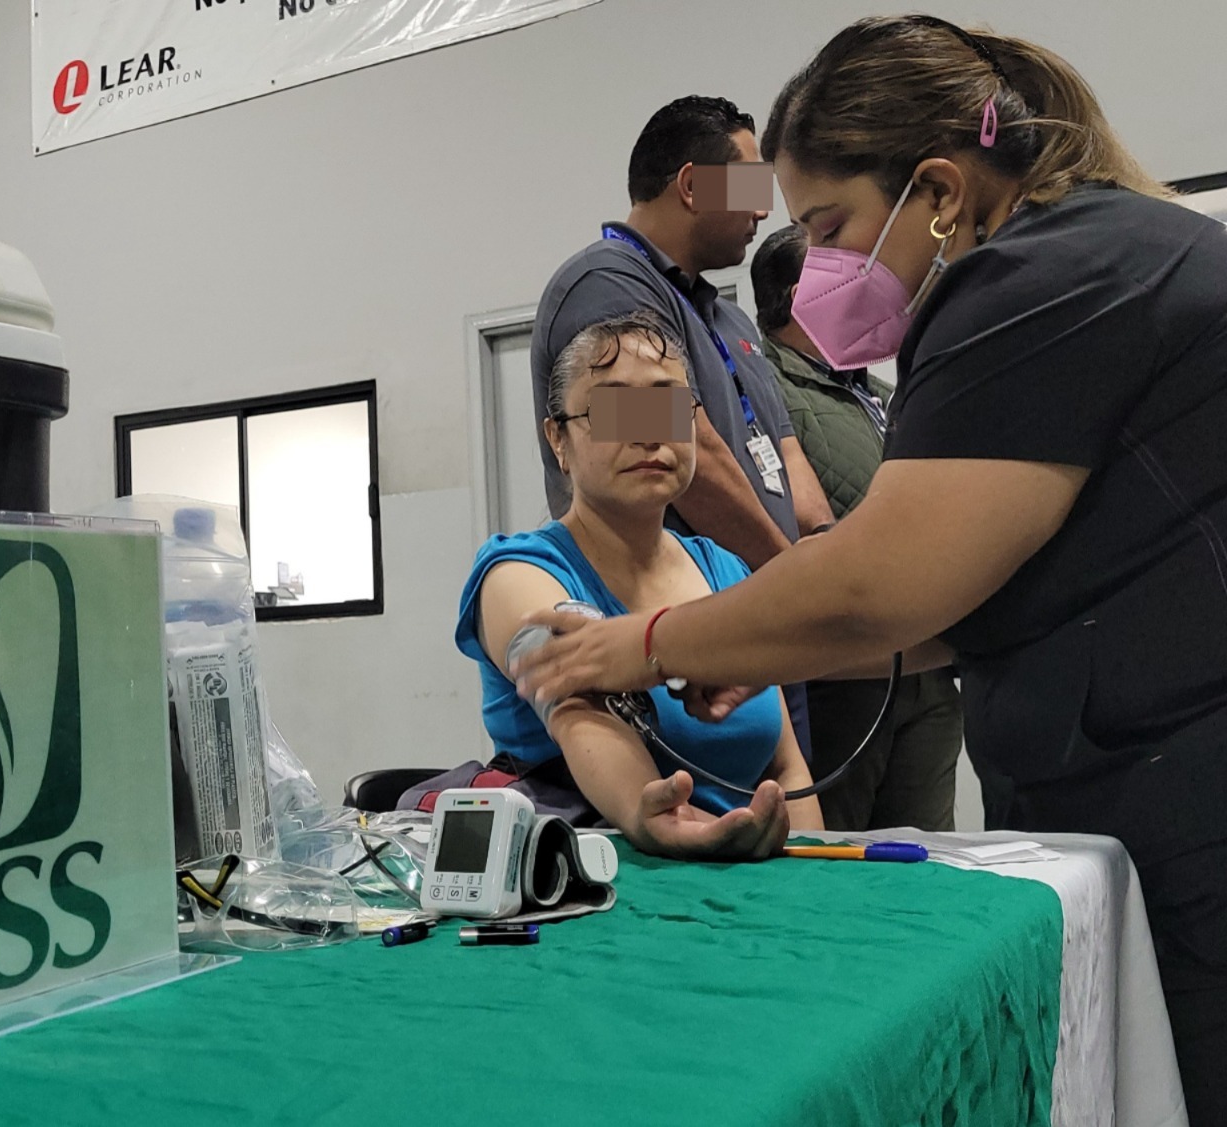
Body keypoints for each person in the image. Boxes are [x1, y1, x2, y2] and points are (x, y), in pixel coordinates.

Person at [508, 16, 1227, 1120]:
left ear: (939, 187)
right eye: (758, 200)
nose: (779, 236)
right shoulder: (612, 303)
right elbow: (589, 644)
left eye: (817, 221)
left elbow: (830, 533)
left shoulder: (734, 322)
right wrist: (765, 606)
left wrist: (723, 616)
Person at [438, 312, 821, 858]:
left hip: (760, 876)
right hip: (607, 880)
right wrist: (649, 812)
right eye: (613, 411)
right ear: (558, 440)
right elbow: (578, 709)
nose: (647, 433)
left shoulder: (728, 571)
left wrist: (810, 867)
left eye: (668, 408)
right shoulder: (516, 574)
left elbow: (787, 769)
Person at [531, 94, 835, 763]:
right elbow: (674, 441)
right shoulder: (606, 282)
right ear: (693, 185)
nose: (764, 211)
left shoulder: (730, 319)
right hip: (676, 632)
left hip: (762, 611)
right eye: (750, 187)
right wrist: (794, 582)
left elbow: (785, 451)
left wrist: (826, 556)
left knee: (794, 804)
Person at [749, 224, 965, 832]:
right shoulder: (765, 387)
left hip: (925, 666)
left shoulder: (886, 391)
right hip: (841, 678)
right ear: (799, 296)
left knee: (929, 857)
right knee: (843, 853)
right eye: (845, 272)